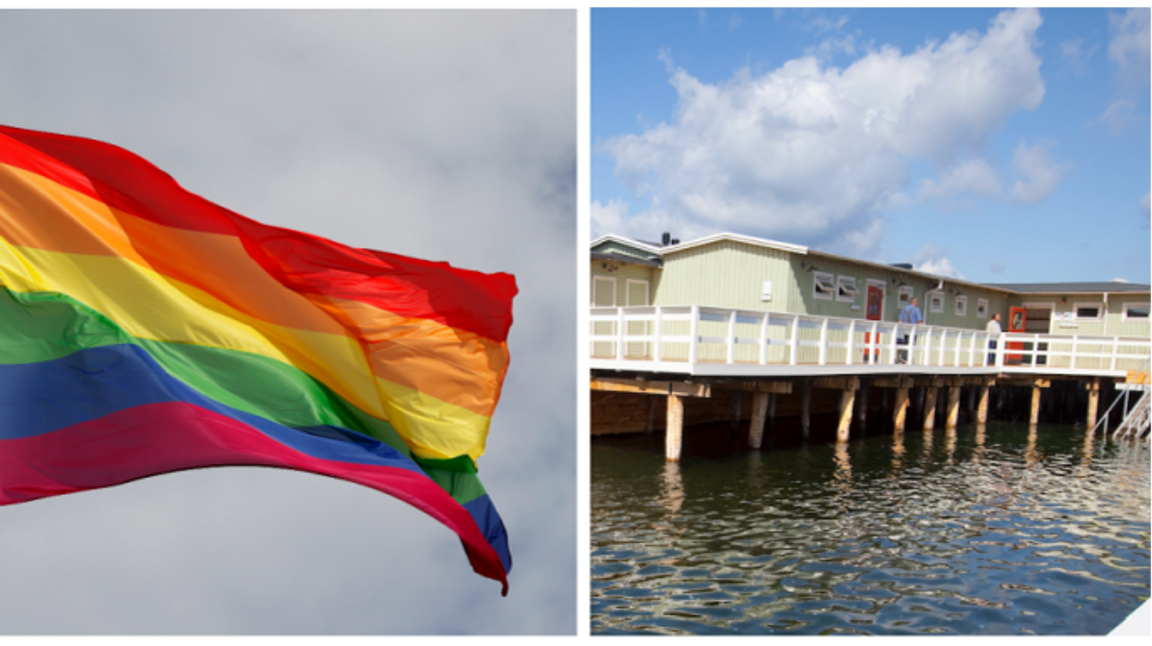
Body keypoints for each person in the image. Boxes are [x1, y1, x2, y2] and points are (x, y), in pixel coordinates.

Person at [897, 297, 923, 364]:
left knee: (906, 343)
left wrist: (899, 330)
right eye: (917, 302)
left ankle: (906, 358)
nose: (917, 303)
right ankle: (904, 358)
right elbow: (919, 321)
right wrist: (921, 331)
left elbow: (900, 320)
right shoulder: (917, 309)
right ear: (915, 302)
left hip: (905, 329)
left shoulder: (904, 309)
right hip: (913, 330)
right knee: (912, 344)